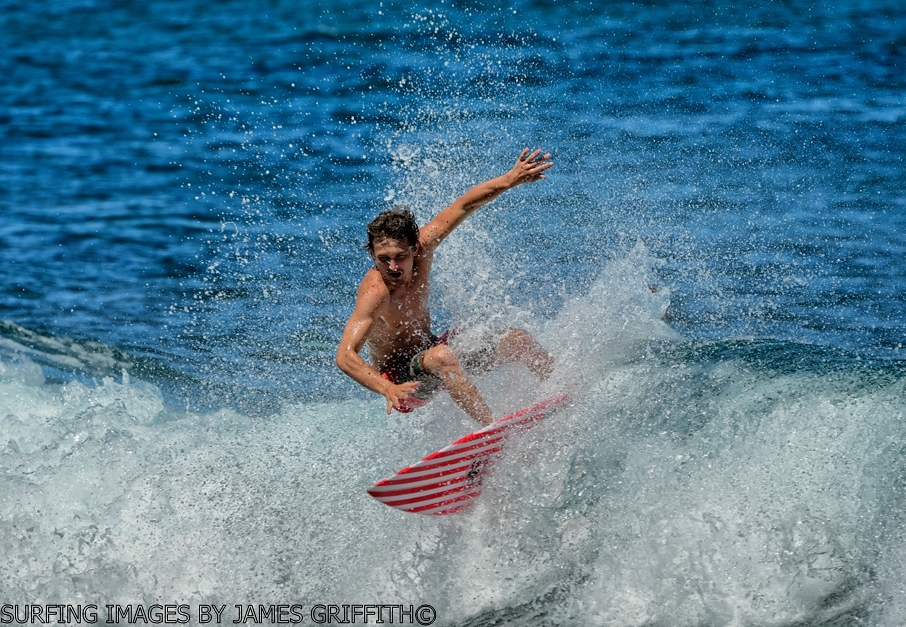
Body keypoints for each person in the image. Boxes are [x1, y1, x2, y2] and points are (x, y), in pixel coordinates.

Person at [336, 148, 556, 426]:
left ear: (415, 248)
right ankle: (492, 432)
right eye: (383, 259)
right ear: (372, 254)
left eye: (401, 257)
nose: (393, 267)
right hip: (402, 381)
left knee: (517, 341)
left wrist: (510, 179)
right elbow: (345, 355)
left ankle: (563, 390)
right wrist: (386, 388)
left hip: (434, 353)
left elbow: (464, 205)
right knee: (442, 356)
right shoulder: (375, 293)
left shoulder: (424, 247)